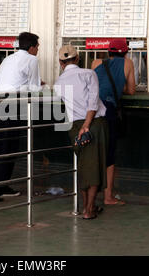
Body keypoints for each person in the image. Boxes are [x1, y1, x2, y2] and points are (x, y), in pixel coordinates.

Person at [54, 45, 108, 219]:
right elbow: (92, 102)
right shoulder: (88, 74)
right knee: (94, 166)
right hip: (93, 124)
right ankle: (88, 210)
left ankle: (87, 206)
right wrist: (87, 124)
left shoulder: (59, 82)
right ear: (77, 59)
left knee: (84, 166)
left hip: (73, 126)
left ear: (61, 63)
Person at [0, 32, 43, 202]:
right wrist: (44, 86)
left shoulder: (8, 59)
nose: (38, 51)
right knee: (9, 147)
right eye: (38, 47)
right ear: (32, 47)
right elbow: (34, 89)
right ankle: (0, 188)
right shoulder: (32, 60)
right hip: (12, 105)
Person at [91, 38, 136, 206]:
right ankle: (108, 196)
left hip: (91, 110)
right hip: (109, 110)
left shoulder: (96, 62)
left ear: (108, 51)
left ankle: (89, 195)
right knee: (109, 154)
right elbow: (131, 90)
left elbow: (94, 85)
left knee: (93, 152)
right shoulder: (128, 63)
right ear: (125, 52)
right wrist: (120, 85)